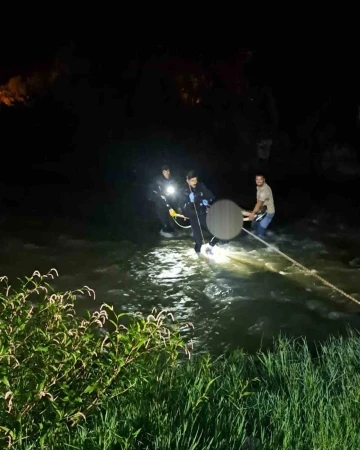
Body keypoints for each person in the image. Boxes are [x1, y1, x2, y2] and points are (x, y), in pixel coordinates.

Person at [177, 170, 219, 255]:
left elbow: (210, 196)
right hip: (193, 216)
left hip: (203, 214)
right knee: (198, 242)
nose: (195, 182)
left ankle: (210, 246)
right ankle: (198, 257)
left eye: (196, 180)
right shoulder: (183, 191)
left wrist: (206, 200)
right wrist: (189, 202)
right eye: (192, 180)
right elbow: (182, 208)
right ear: (187, 180)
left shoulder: (201, 186)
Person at [148, 164, 181, 238]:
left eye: (168, 171)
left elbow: (176, 191)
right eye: (165, 172)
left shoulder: (172, 180)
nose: (167, 173)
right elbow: (154, 191)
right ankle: (163, 232)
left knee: (172, 222)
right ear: (162, 172)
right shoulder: (158, 180)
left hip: (169, 203)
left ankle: (172, 231)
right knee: (164, 221)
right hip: (160, 203)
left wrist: (178, 204)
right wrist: (158, 195)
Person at [243, 173, 275, 238]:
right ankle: (263, 233)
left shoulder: (265, 190)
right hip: (262, 210)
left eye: (260, 179)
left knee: (260, 233)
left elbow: (259, 203)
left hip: (268, 213)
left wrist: (253, 213)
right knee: (254, 225)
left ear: (264, 180)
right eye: (257, 179)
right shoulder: (259, 187)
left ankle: (267, 242)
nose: (258, 181)